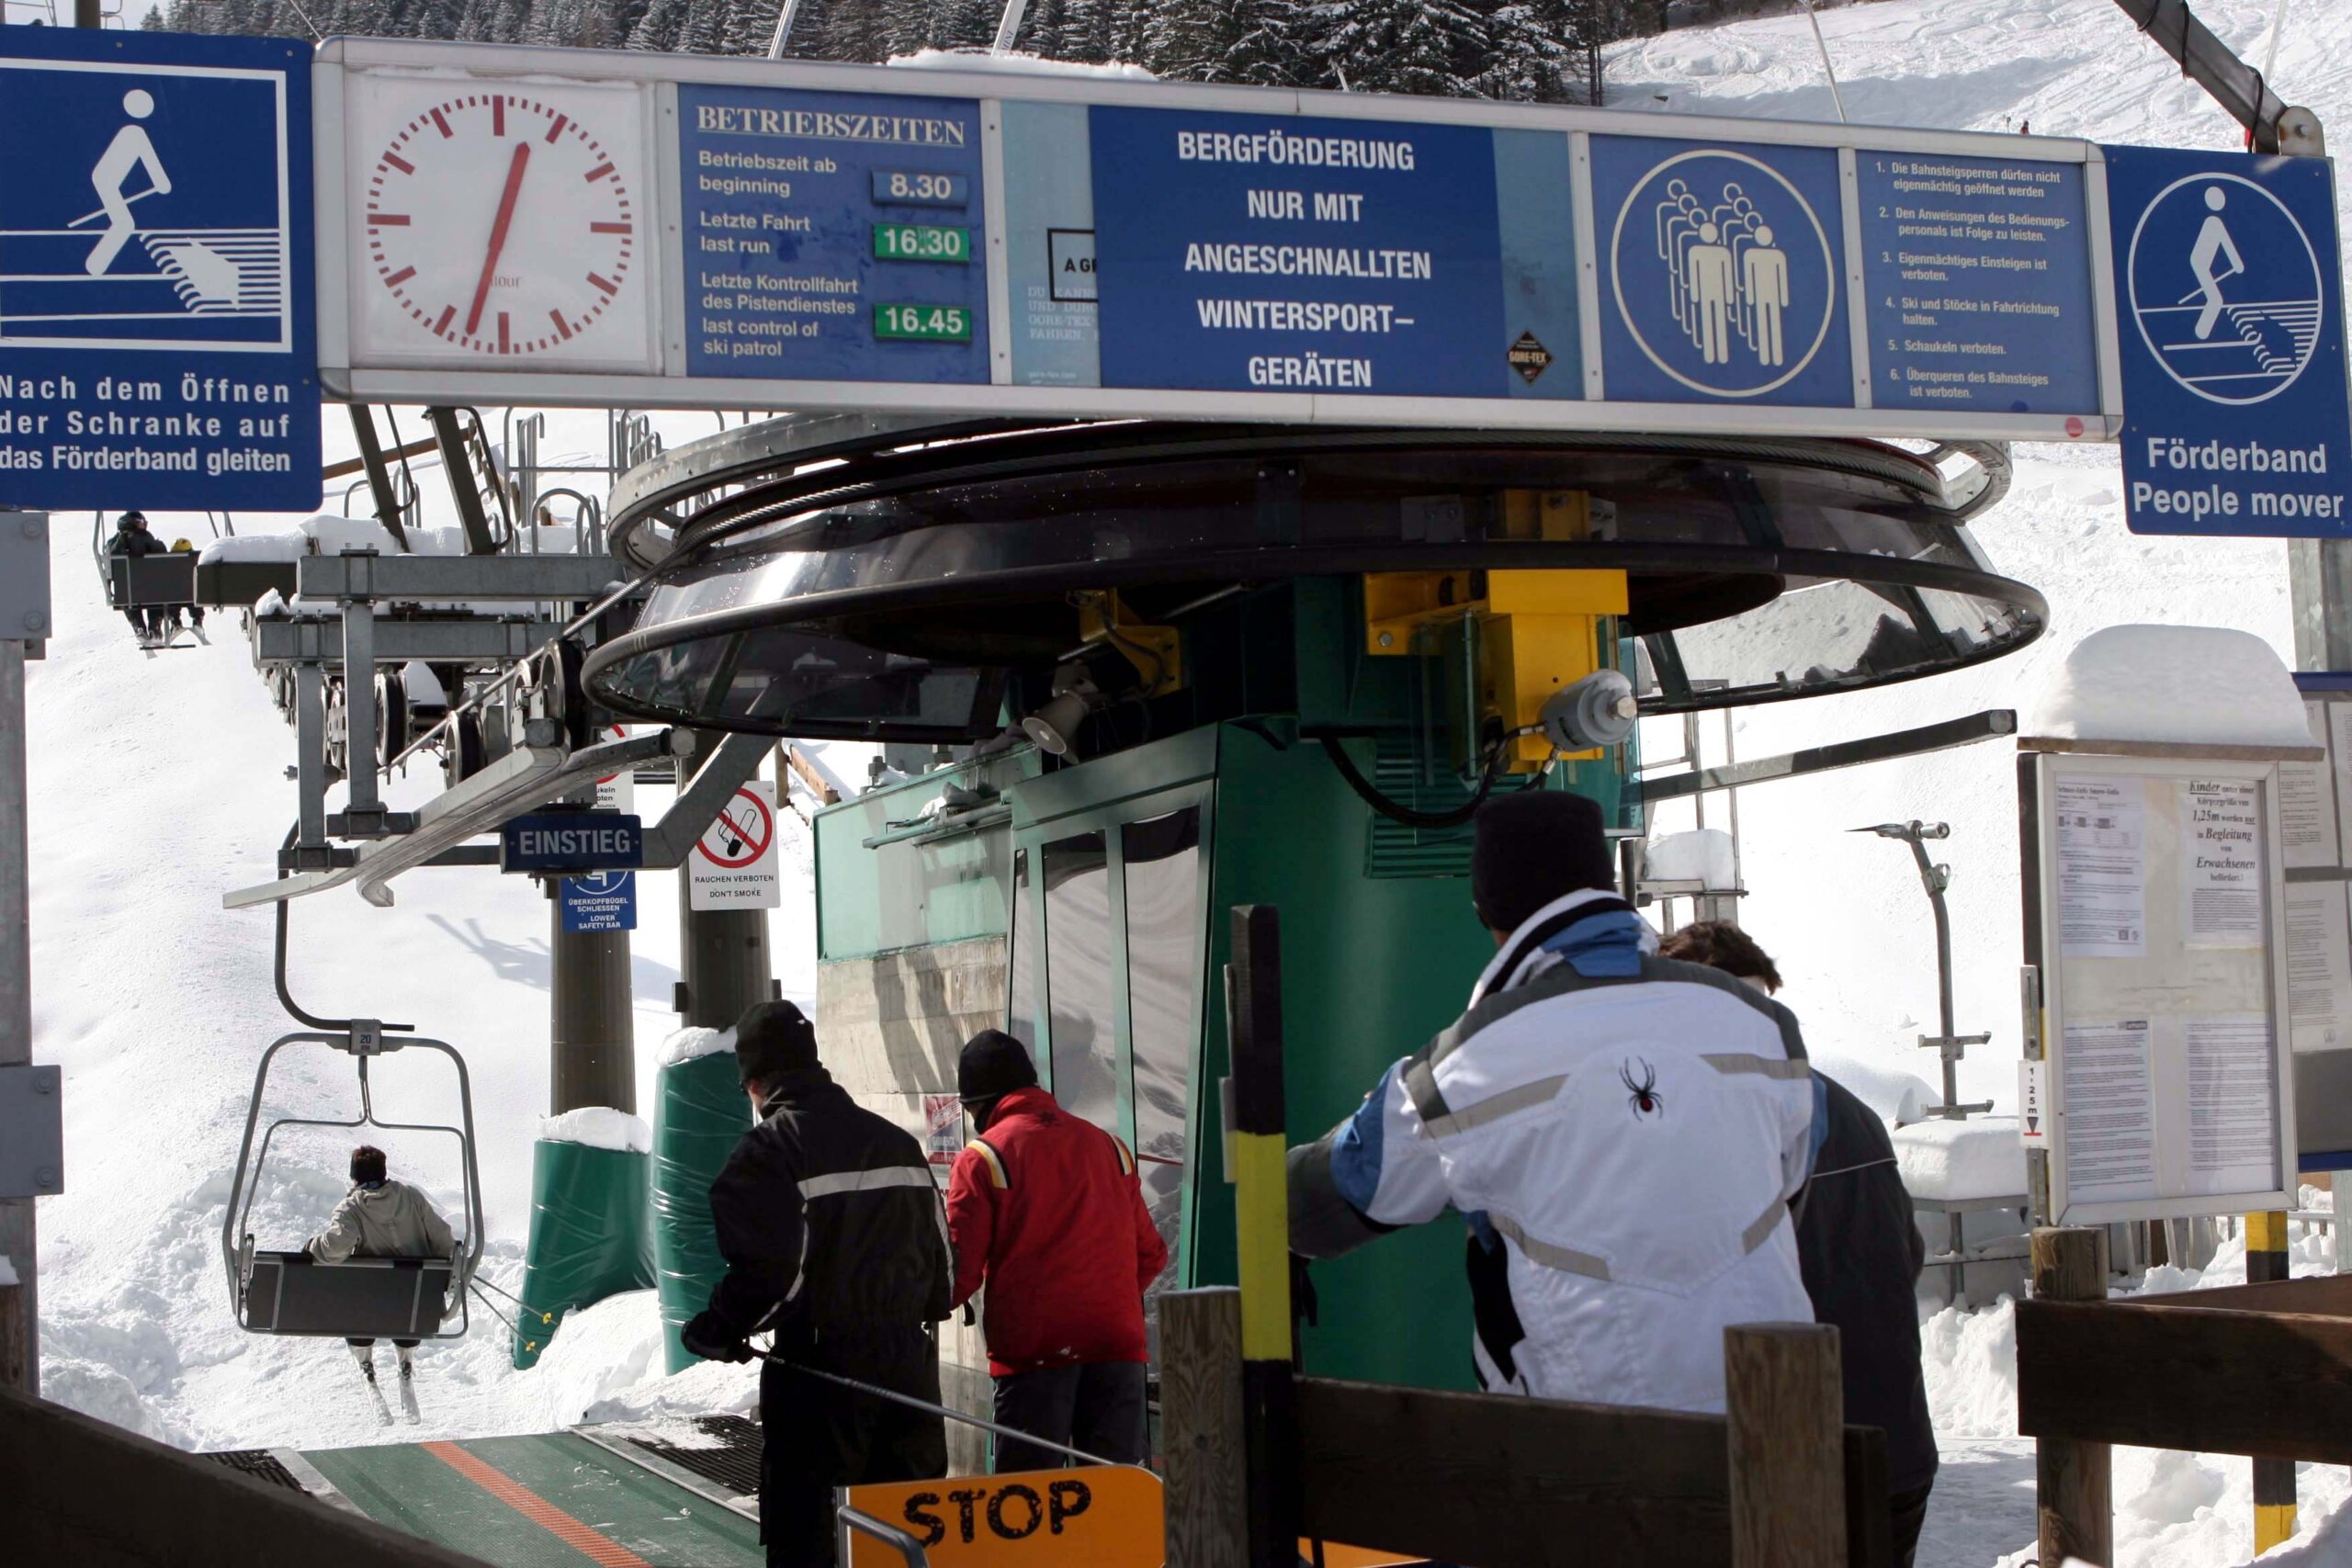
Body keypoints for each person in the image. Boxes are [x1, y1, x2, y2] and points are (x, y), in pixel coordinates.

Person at [1288, 789, 1816, 1416]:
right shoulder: (1763, 1026)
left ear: (1488, 907)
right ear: (1605, 882)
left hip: (1592, 1444)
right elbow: (1792, 1178)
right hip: (1778, 1419)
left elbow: (1334, 1195)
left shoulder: (1469, 1063)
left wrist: (1274, 1182)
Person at [1657, 920, 1939, 1567]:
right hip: (1893, 1449)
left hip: (1785, 1456)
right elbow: (1906, 1254)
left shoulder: (1709, 1122)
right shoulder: (1852, 1111)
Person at [682, 1000, 952, 1568]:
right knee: (904, 1532)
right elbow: (941, 1261)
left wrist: (718, 1328)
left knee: (813, 1537)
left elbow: (772, 1275)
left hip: (822, 1375)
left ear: (755, 1083)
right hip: (909, 1369)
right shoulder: (897, 1144)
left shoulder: (768, 1152)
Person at [944, 1030, 1167, 1472]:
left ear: (978, 1104)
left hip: (1034, 1356)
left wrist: (905, 1307)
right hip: (1116, 1346)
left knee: (1027, 1506)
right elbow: (1152, 1254)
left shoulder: (983, 1157)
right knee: (1115, 1497)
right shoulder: (1110, 1147)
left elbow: (960, 1272)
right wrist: (1102, 1302)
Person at [307, 1144, 456, 1394]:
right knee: (410, 1307)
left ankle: (364, 1359)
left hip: (371, 1305)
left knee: (356, 1298)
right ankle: (406, 1358)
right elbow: (442, 1238)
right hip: (416, 1303)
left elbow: (336, 1247)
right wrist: (444, 1274)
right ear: (384, 1171)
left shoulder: (351, 1208)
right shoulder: (411, 1197)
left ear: (354, 1177)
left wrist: (313, 1247)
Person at [107, 511, 167, 644]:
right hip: (150, 588)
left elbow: (110, 560)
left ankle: (138, 626)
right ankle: (155, 627)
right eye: (141, 523)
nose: (144, 526)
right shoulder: (146, 537)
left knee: (127, 598)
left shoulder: (114, 542)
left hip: (127, 591)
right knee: (157, 596)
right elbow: (160, 550)